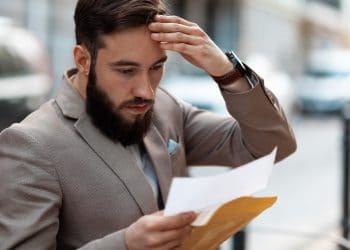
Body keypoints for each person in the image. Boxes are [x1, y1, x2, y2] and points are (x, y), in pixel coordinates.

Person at [0, 0, 297, 249]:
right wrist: (125, 245)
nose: (146, 91)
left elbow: (272, 147)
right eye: (126, 70)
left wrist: (227, 72)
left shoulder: (165, 107)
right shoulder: (31, 145)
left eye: (157, 67)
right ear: (83, 60)